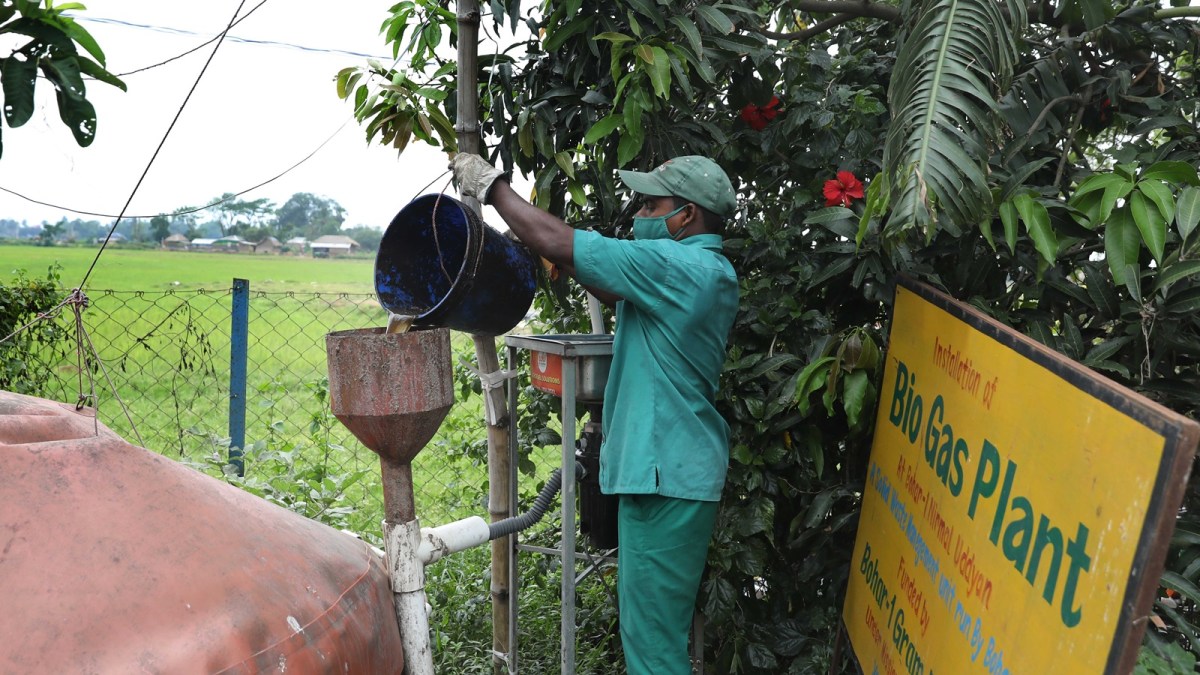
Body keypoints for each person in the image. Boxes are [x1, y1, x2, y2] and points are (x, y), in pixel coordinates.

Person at [450, 152, 739, 675]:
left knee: (653, 648)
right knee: (653, 633)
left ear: (688, 216)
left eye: (652, 204)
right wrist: (569, 262)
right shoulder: (700, 269)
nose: (640, 214)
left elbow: (565, 242)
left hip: (665, 476)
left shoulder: (679, 266)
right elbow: (606, 278)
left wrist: (491, 187)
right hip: (672, 472)